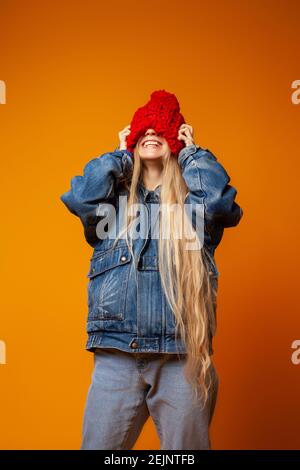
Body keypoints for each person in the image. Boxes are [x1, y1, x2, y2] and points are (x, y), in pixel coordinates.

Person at [60, 89, 243, 450]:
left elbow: (221, 202)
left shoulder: (196, 207)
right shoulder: (111, 205)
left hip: (181, 358)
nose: (151, 134)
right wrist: (119, 157)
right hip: (117, 357)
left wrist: (191, 152)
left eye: (162, 130)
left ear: (177, 140)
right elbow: (80, 197)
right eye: (143, 129)